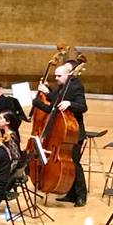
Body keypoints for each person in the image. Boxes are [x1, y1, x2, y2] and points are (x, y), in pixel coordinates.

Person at [33, 61, 89, 206]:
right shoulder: (62, 87)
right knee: (68, 165)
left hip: (74, 133)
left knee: (75, 164)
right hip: (62, 133)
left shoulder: (76, 86)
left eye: (59, 76)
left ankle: (81, 195)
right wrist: (45, 93)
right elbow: (54, 105)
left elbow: (83, 106)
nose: (56, 78)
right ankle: (70, 194)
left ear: (68, 74)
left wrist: (70, 103)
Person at [0, 80, 26, 145]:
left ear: (0, 89)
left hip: (9, 136)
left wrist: (10, 129)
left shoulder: (9, 101)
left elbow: (17, 118)